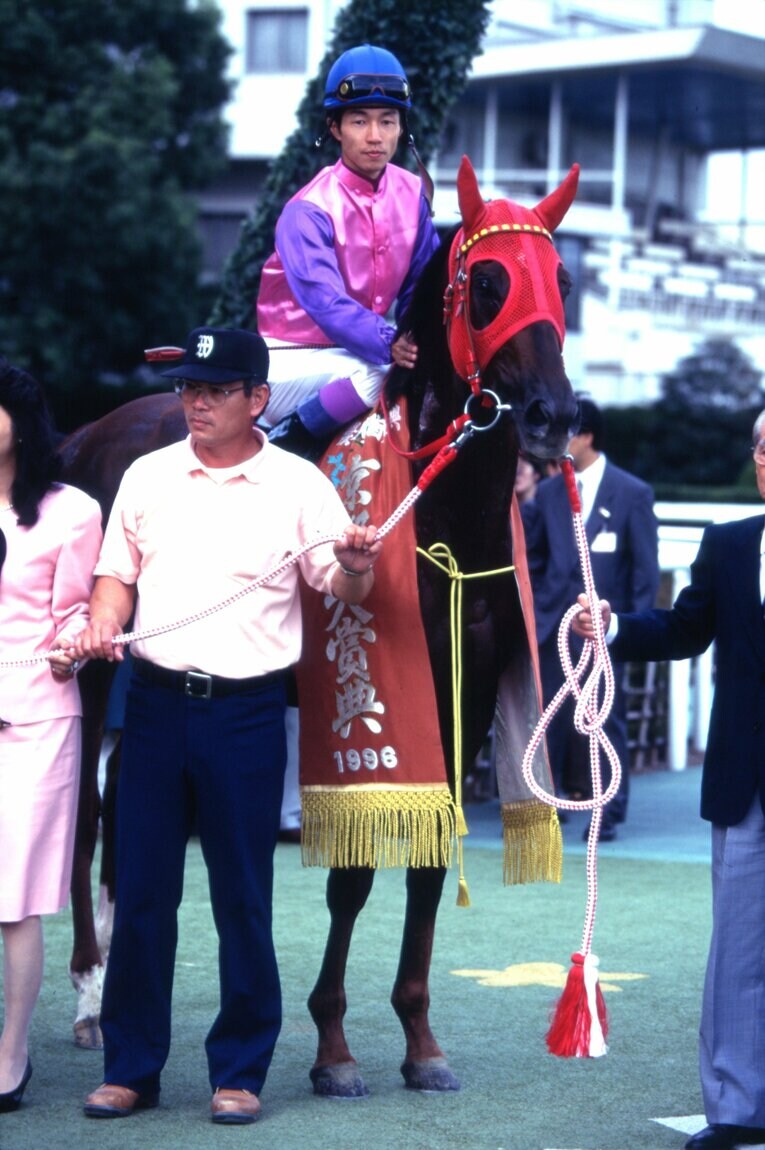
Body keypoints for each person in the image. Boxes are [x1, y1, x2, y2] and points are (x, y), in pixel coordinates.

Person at [73, 327, 381, 1125]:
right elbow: (115, 578)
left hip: (244, 714)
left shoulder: (299, 484)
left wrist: (354, 558)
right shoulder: (147, 475)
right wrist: (103, 621)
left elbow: (345, 587)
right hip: (152, 707)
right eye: (188, 390)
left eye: (213, 390)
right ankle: (130, 1067)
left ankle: (239, 1071)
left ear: (256, 399)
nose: (195, 402)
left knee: (241, 897)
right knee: (140, 893)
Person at [573, 408, 765, 1150]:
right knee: (739, 954)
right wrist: (613, 626)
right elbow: (683, 631)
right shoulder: (728, 545)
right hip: (743, 786)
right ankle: (739, 1107)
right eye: (760, 449)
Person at [0, 359, 102, 1114]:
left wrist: (75, 646)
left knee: (13, 899)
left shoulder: (72, 512)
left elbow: (72, 614)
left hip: (34, 713)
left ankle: (10, 1054)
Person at [257, 43, 440, 453]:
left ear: (401, 129)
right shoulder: (307, 209)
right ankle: (289, 445)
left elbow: (424, 286)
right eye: (360, 121)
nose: (375, 137)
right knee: (378, 373)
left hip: (363, 350)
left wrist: (418, 338)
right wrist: (390, 342)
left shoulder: (413, 196)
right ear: (335, 128)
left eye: (387, 122)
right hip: (290, 355)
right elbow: (325, 302)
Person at [522, 397, 659, 839]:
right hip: (555, 627)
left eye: (565, 434)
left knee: (606, 720)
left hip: (607, 629)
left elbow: (645, 571)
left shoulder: (633, 492)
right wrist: (543, 608)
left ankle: (610, 811)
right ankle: (550, 802)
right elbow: (534, 556)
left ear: (586, 436)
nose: (556, 445)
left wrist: (632, 628)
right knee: (552, 718)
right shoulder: (547, 492)